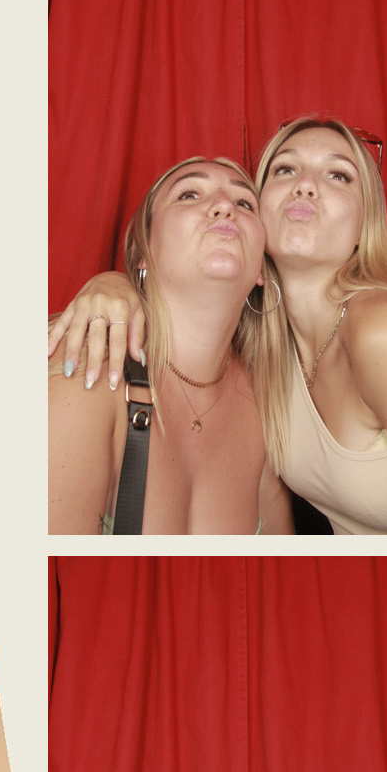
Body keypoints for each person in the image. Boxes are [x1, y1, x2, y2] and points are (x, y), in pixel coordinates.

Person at [49, 118, 387, 535]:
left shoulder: (378, 333)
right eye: (285, 169)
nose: (306, 184)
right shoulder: (266, 371)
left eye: (338, 175)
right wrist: (115, 282)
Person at [48, 157, 292, 535]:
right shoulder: (88, 374)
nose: (224, 206)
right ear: (142, 253)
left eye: (245, 203)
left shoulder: (266, 401)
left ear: (261, 267)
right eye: (189, 194)